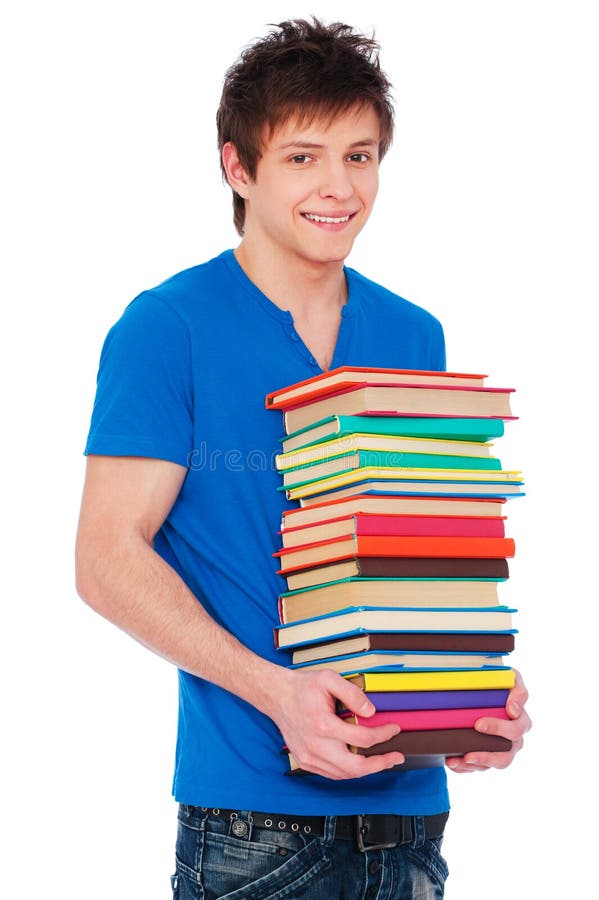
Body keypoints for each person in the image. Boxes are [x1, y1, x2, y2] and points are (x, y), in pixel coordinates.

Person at [76, 17, 531, 900]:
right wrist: (275, 690)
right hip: (252, 824)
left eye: (360, 156)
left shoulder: (412, 334)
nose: (339, 186)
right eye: (303, 157)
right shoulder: (166, 327)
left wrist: (471, 693)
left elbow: (420, 553)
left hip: (410, 818)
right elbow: (103, 559)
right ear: (237, 168)